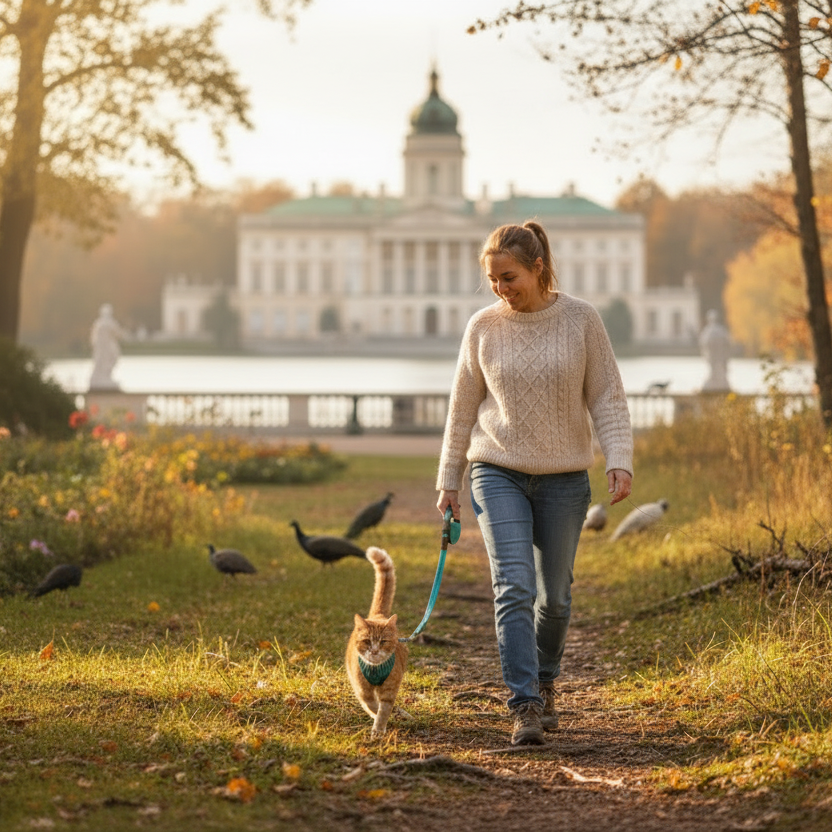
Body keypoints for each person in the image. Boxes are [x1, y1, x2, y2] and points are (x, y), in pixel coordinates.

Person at [436, 221, 633, 746]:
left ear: (538, 268)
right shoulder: (482, 326)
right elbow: (461, 409)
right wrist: (449, 480)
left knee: (556, 598)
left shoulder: (581, 319)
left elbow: (607, 396)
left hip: (565, 477)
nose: (500, 288)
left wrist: (619, 458)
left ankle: (546, 680)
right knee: (514, 585)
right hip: (496, 469)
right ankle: (523, 703)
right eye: (492, 279)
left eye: (509, 277)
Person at [89, 303, 129, 391]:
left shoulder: (98, 323)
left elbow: (93, 338)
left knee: (102, 362)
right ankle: (104, 377)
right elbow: (119, 334)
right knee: (109, 361)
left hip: (101, 348)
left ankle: (104, 377)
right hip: (106, 348)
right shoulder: (109, 323)